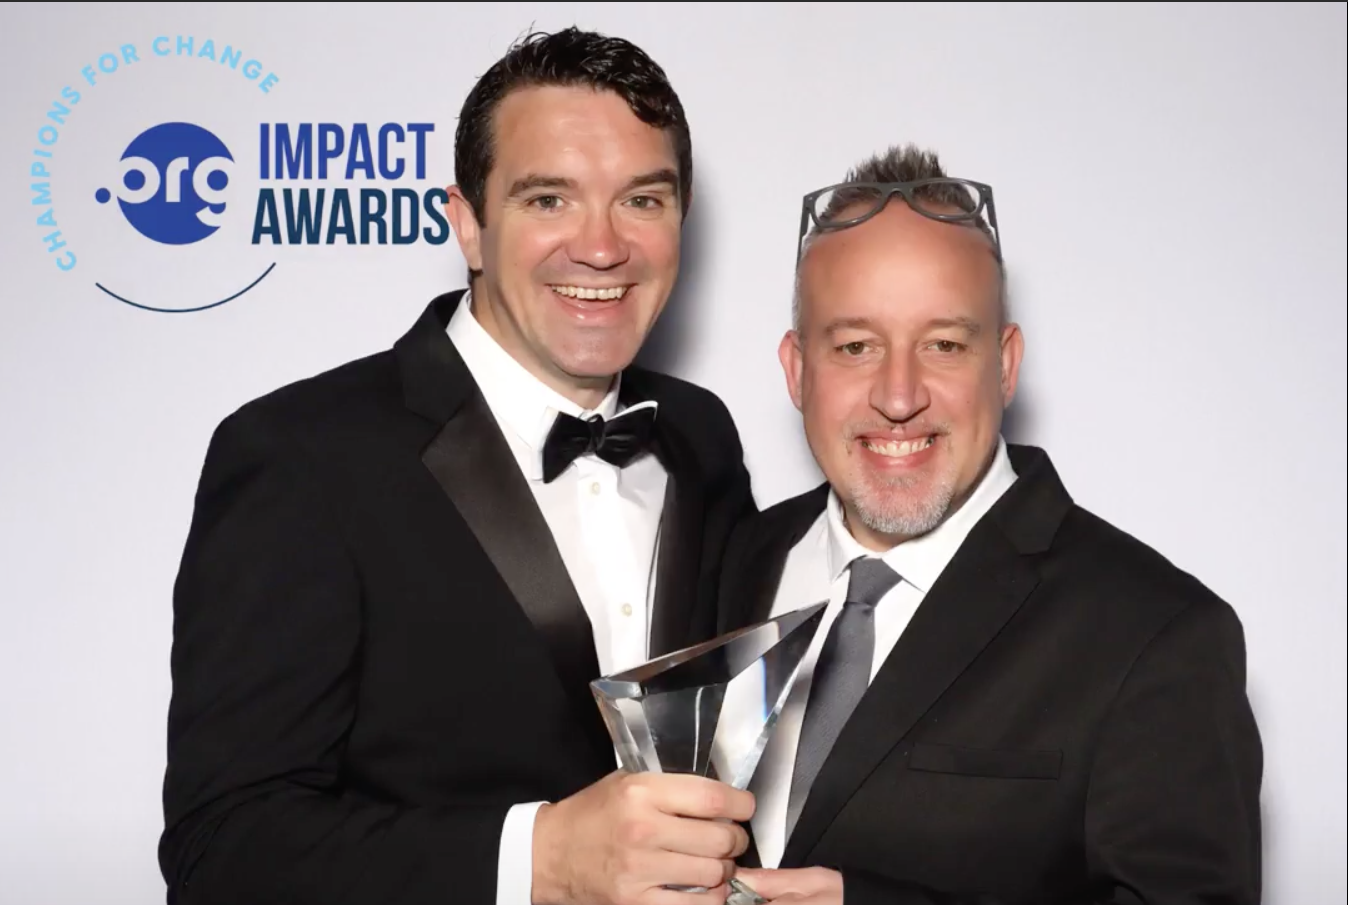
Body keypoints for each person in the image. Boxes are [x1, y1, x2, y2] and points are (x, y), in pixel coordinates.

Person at [158, 27, 758, 905]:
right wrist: (539, 857)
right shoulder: (299, 456)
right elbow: (223, 851)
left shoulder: (701, 434)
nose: (602, 246)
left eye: (642, 199)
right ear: (469, 225)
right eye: (548, 199)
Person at [717, 143, 1263, 904]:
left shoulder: (1158, 633)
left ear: (1004, 365)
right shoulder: (726, 561)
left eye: (943, 344)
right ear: (797, 370)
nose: (899, 396)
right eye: (855, 346)